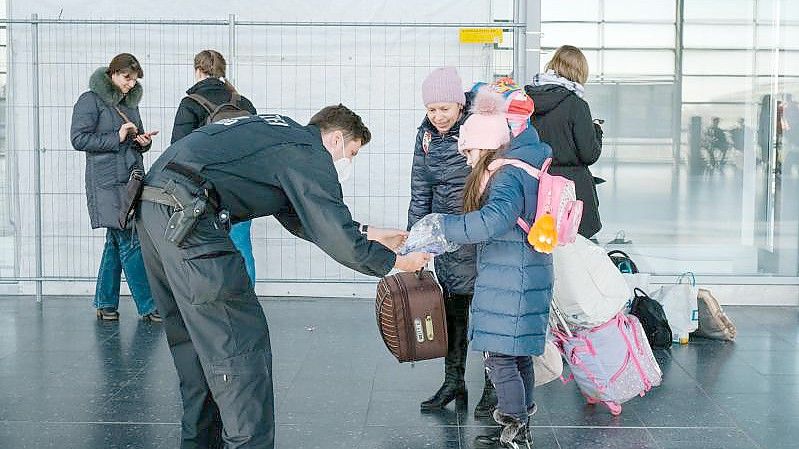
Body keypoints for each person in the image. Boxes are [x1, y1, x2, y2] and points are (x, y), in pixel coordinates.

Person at [135, 105, 431, 449]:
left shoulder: (279, 135)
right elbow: (332, 230)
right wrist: (398, 262)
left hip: (155, 209)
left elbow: (302, 217)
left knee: (196, 344)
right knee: (238, 347)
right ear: (335, 138)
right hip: (188, 218)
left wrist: (374, 234)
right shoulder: (309, 152)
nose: (348, 163)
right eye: (352, 153)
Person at [423, 87, 552, 448]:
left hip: (511, 276)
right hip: (521, 273)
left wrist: (443, 225)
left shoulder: (507, 175)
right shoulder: (525, 164)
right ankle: (520, 422)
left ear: (484, 145)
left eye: (469, 151)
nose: (466, 160)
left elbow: (493, 220)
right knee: (516, 355)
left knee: (500, 359)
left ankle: (515, 429)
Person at [408, 67, 496, 418]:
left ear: (460, 105)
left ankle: (494, 388)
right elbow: (421, 188)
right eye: (432, 110)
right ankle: (453, 381)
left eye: (445, 108)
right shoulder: (426, 136)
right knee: (452, 313)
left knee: (489, 316)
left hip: (479, 235)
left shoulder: (479, 129)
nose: (438, 116)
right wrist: (418, 240)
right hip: (446, 238)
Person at [70, 53, 161, 322]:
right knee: (129, 240)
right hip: (107, 183)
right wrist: (116, 136)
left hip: (130, 180)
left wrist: (142, 142)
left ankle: (105, 303)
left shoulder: (128, 103)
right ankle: (149, 306)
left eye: (134, 80)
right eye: (127, 77)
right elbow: (78, 139)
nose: (131, 84)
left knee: (115, 241)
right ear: (112, 73)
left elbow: (133, 140)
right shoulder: (90, 100)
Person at [171, 49, 259, 284]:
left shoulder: (190, 103)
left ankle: (210, 303)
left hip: (204, 190)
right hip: (242, 187)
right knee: (241, 245)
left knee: (201, 247)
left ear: (198, 71)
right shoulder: (244, 103)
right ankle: (246, 298)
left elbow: (178, 149)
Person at [525, 44, 603, 239]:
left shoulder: (529, 100)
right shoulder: (576, 105)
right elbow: (589, 153)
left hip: (537, 184)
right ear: (580, 72)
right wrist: (596, 131)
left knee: (541, 244)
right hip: (572, 189)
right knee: (575, 248)